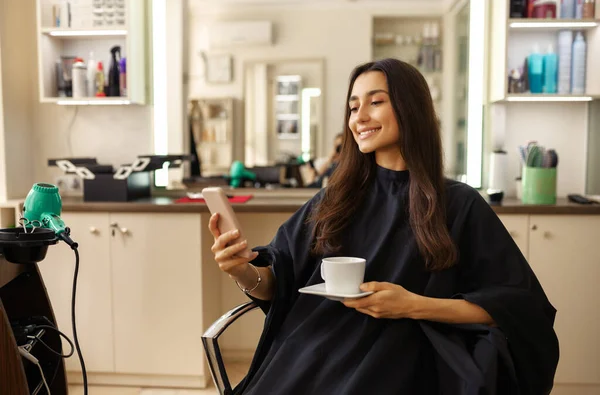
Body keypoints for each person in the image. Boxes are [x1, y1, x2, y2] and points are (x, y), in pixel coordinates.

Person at [208, 58, 559, 394]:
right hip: (314, 350)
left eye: (375, 102)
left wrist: (412, 305)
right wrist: (241, 270)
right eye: (353, 106)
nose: (359, 117)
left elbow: (517, 309)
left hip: (404, 357)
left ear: (410, 109)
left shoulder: (459, 204)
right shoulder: (335, 199)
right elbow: (277, 282)